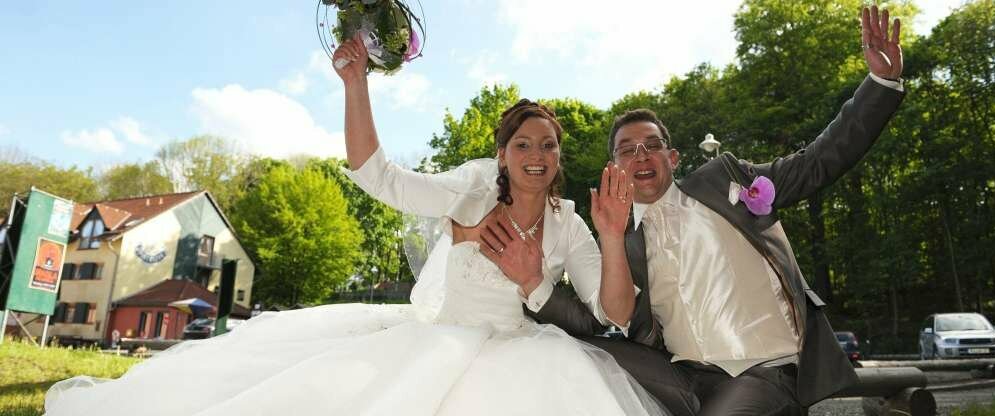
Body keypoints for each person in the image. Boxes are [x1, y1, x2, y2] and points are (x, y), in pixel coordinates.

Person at [42, 35, 666, 416]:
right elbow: (379, 176)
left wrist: (606, 239)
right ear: (502, 154)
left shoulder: (571, 225)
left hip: (523, 353)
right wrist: (356, 84)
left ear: (560, 157)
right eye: (525, 143)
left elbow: (613, 312)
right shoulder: (471, 187)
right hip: (443, 339)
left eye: (551, 145)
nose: (539, 154)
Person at [529, 5, 907, 415]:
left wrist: (880, 83)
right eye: (627, 150)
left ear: (672, 158)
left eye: (652, 146)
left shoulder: (725, 182)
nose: (641, 155)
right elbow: (597, 320)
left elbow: (817, 162)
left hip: (764, 371)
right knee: (575, 354)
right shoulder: (621, 240)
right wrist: (531, 283)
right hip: (681, 377)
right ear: (615, 167)